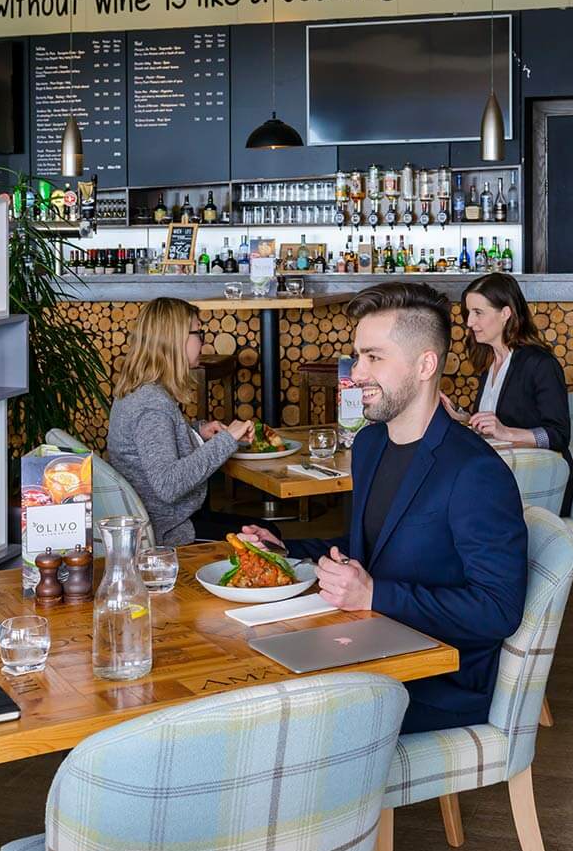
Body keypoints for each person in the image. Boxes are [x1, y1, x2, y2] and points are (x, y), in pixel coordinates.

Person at [241, 283, 528, 734]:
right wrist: (285, 550)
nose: (356, 373)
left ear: (425, 365)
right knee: (246, 682)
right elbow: (370, 549)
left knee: (272, 718)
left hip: (434, 678)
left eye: (374, 357)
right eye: (358, 357)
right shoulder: (371, 444)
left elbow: (498, 610)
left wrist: (374, 595)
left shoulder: (475, 472)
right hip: (365, 644)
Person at [106, 296, 273, 544]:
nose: (203, 342)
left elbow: (154, 446)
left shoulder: (140, 391)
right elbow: (168, 484)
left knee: (261, 529)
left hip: (166, 518)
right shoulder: (152, 405)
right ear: (175, 340)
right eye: (199, 333)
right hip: (171, 529)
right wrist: (227, 439)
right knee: (268, 537)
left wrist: (196, 432)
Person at [440, 272, 573, 510]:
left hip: (535, 478)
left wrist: (506, 433)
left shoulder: (540, 364)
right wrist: (462, 417)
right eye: (468, 313)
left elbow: (558, 435)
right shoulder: (490, 361)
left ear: (505, 313)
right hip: (498, 473)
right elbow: (496, 422)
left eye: (478, 313)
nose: (469, 323)